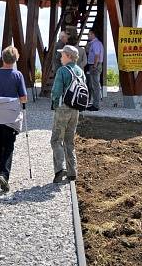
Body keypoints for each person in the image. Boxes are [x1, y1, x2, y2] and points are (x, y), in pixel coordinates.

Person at [0, 45, 27, 192]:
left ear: (2, 58)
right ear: (15, 60)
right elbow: (23, 98)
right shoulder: (17, 75)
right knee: (8, 145)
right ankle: (4, 174)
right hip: (10, 116)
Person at [50, 44, 86, 183]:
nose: (60, 57)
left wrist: (54, 104)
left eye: (63, 54)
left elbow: (56, 91)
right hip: (75, 110)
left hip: (63, 108)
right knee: (69, 141)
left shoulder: (62, 71)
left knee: (56, 139)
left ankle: (60, 169)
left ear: (69, 56)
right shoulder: (80, 71)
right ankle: (72, 172)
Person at [86, 28, 104, 111]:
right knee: (94, 85)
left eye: (89, 34)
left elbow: (97, 55)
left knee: (95, 85)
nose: (88, 36)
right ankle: (95, 104)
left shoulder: (95, 44)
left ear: (93, 35)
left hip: (95, 65)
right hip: (96, 65)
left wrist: (94, 65)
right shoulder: (96, 43)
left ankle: (96, 105)